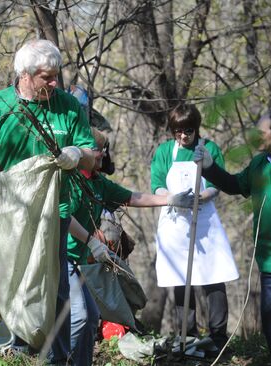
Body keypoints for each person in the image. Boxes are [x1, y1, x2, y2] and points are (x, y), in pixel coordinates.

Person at [0, 39, 97, 364]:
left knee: (58, 293)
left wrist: (77, 154)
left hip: (56, 214)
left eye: (55, 76)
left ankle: (56, 359)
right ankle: (21, 353)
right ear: (24, 74)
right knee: (20, 290)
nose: (54, 83)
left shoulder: (67, 106)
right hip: (13, 217)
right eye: (46, 77)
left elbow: (92, 156)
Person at [66, 125, 195, 366]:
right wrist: (91, 241)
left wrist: (170, 199)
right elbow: (65, 217)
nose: (103, 155)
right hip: (66, 260)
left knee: (90, 317)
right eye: (98, 150)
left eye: (103, 150)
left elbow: (132, 197)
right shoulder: (69, 181)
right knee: (78, 318)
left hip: (89, 261)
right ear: (82, 152)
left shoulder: (98, 182)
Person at [194, 111, 271, 365]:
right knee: (270, 321)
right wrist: (210, 167)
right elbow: (234, 185)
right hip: (267, 260)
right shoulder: (259, 165)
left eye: (261, 132)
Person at [151, 104, 239, 351]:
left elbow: (217, 181)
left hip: (205, 222)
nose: (182, 136)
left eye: (187, 130)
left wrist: (205, 196)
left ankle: (218, 337)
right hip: (176, 222)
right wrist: (172, 197)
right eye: (177, 131)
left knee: (214, 276)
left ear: (196, 128)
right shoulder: (165, 151)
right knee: (181, 279)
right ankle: (187, 335)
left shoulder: (208, 148)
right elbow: (156, 183)